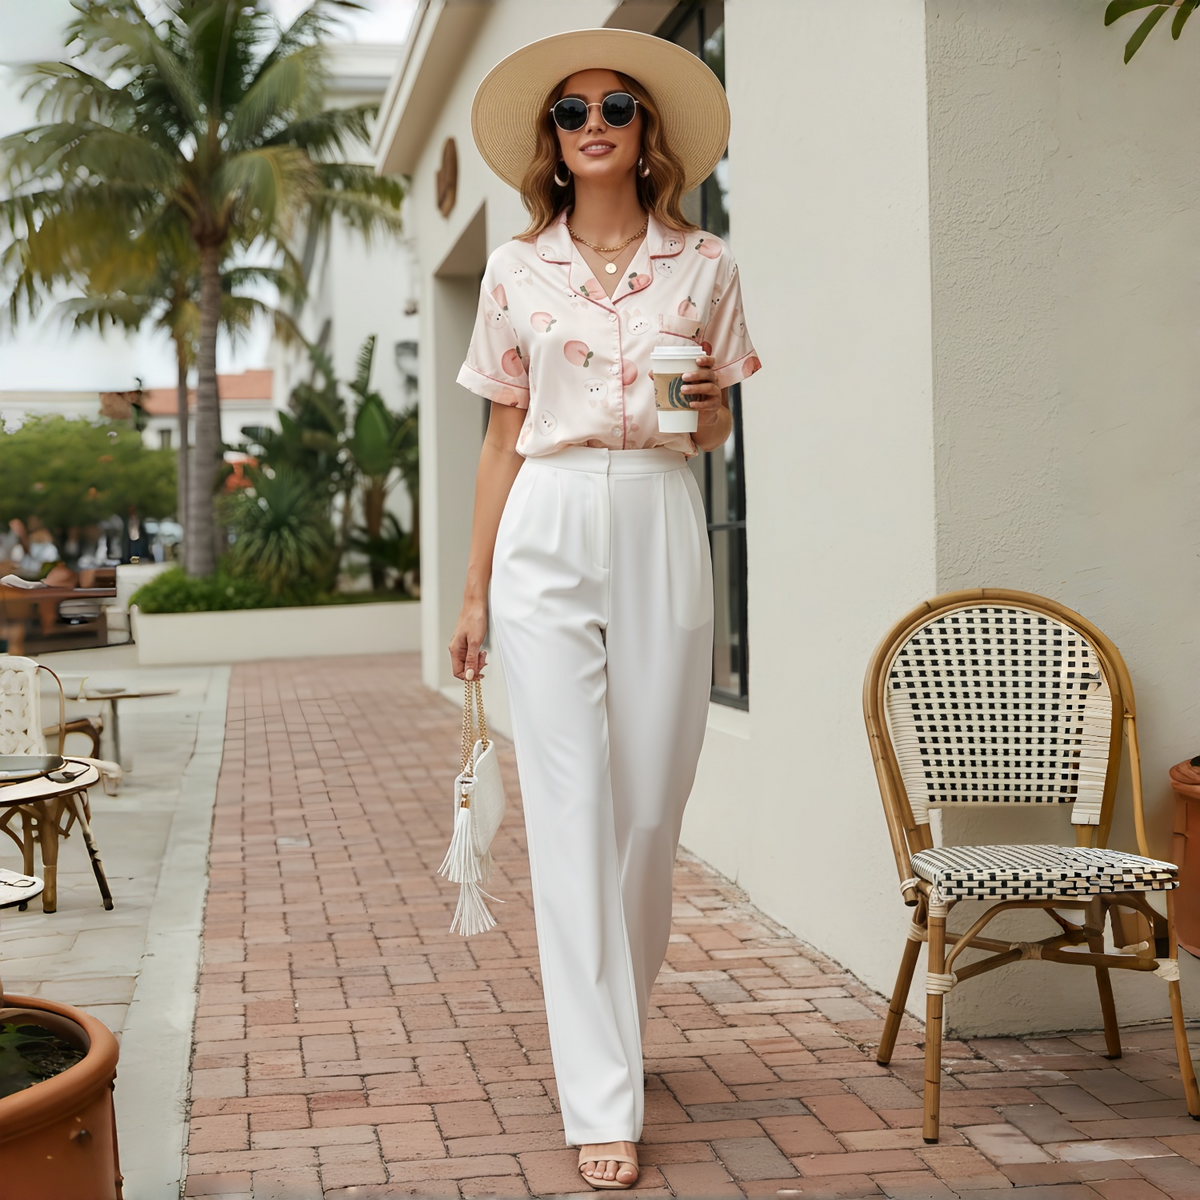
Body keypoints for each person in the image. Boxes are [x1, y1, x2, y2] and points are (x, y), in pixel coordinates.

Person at [449, 29, 760, 1190]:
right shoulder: (513, 268)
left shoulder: (708, 265)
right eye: (571, 111)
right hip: (549, 517)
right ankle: (600, 1093)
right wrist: (475, 589)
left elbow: (716, 431)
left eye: (615, 107)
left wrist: (715, 412)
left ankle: (615, 1024)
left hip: (665, 515)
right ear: (552, 140)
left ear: (644, 135)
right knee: (570, 808)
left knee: (648, 812)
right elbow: (496, 438)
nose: (592, 123)